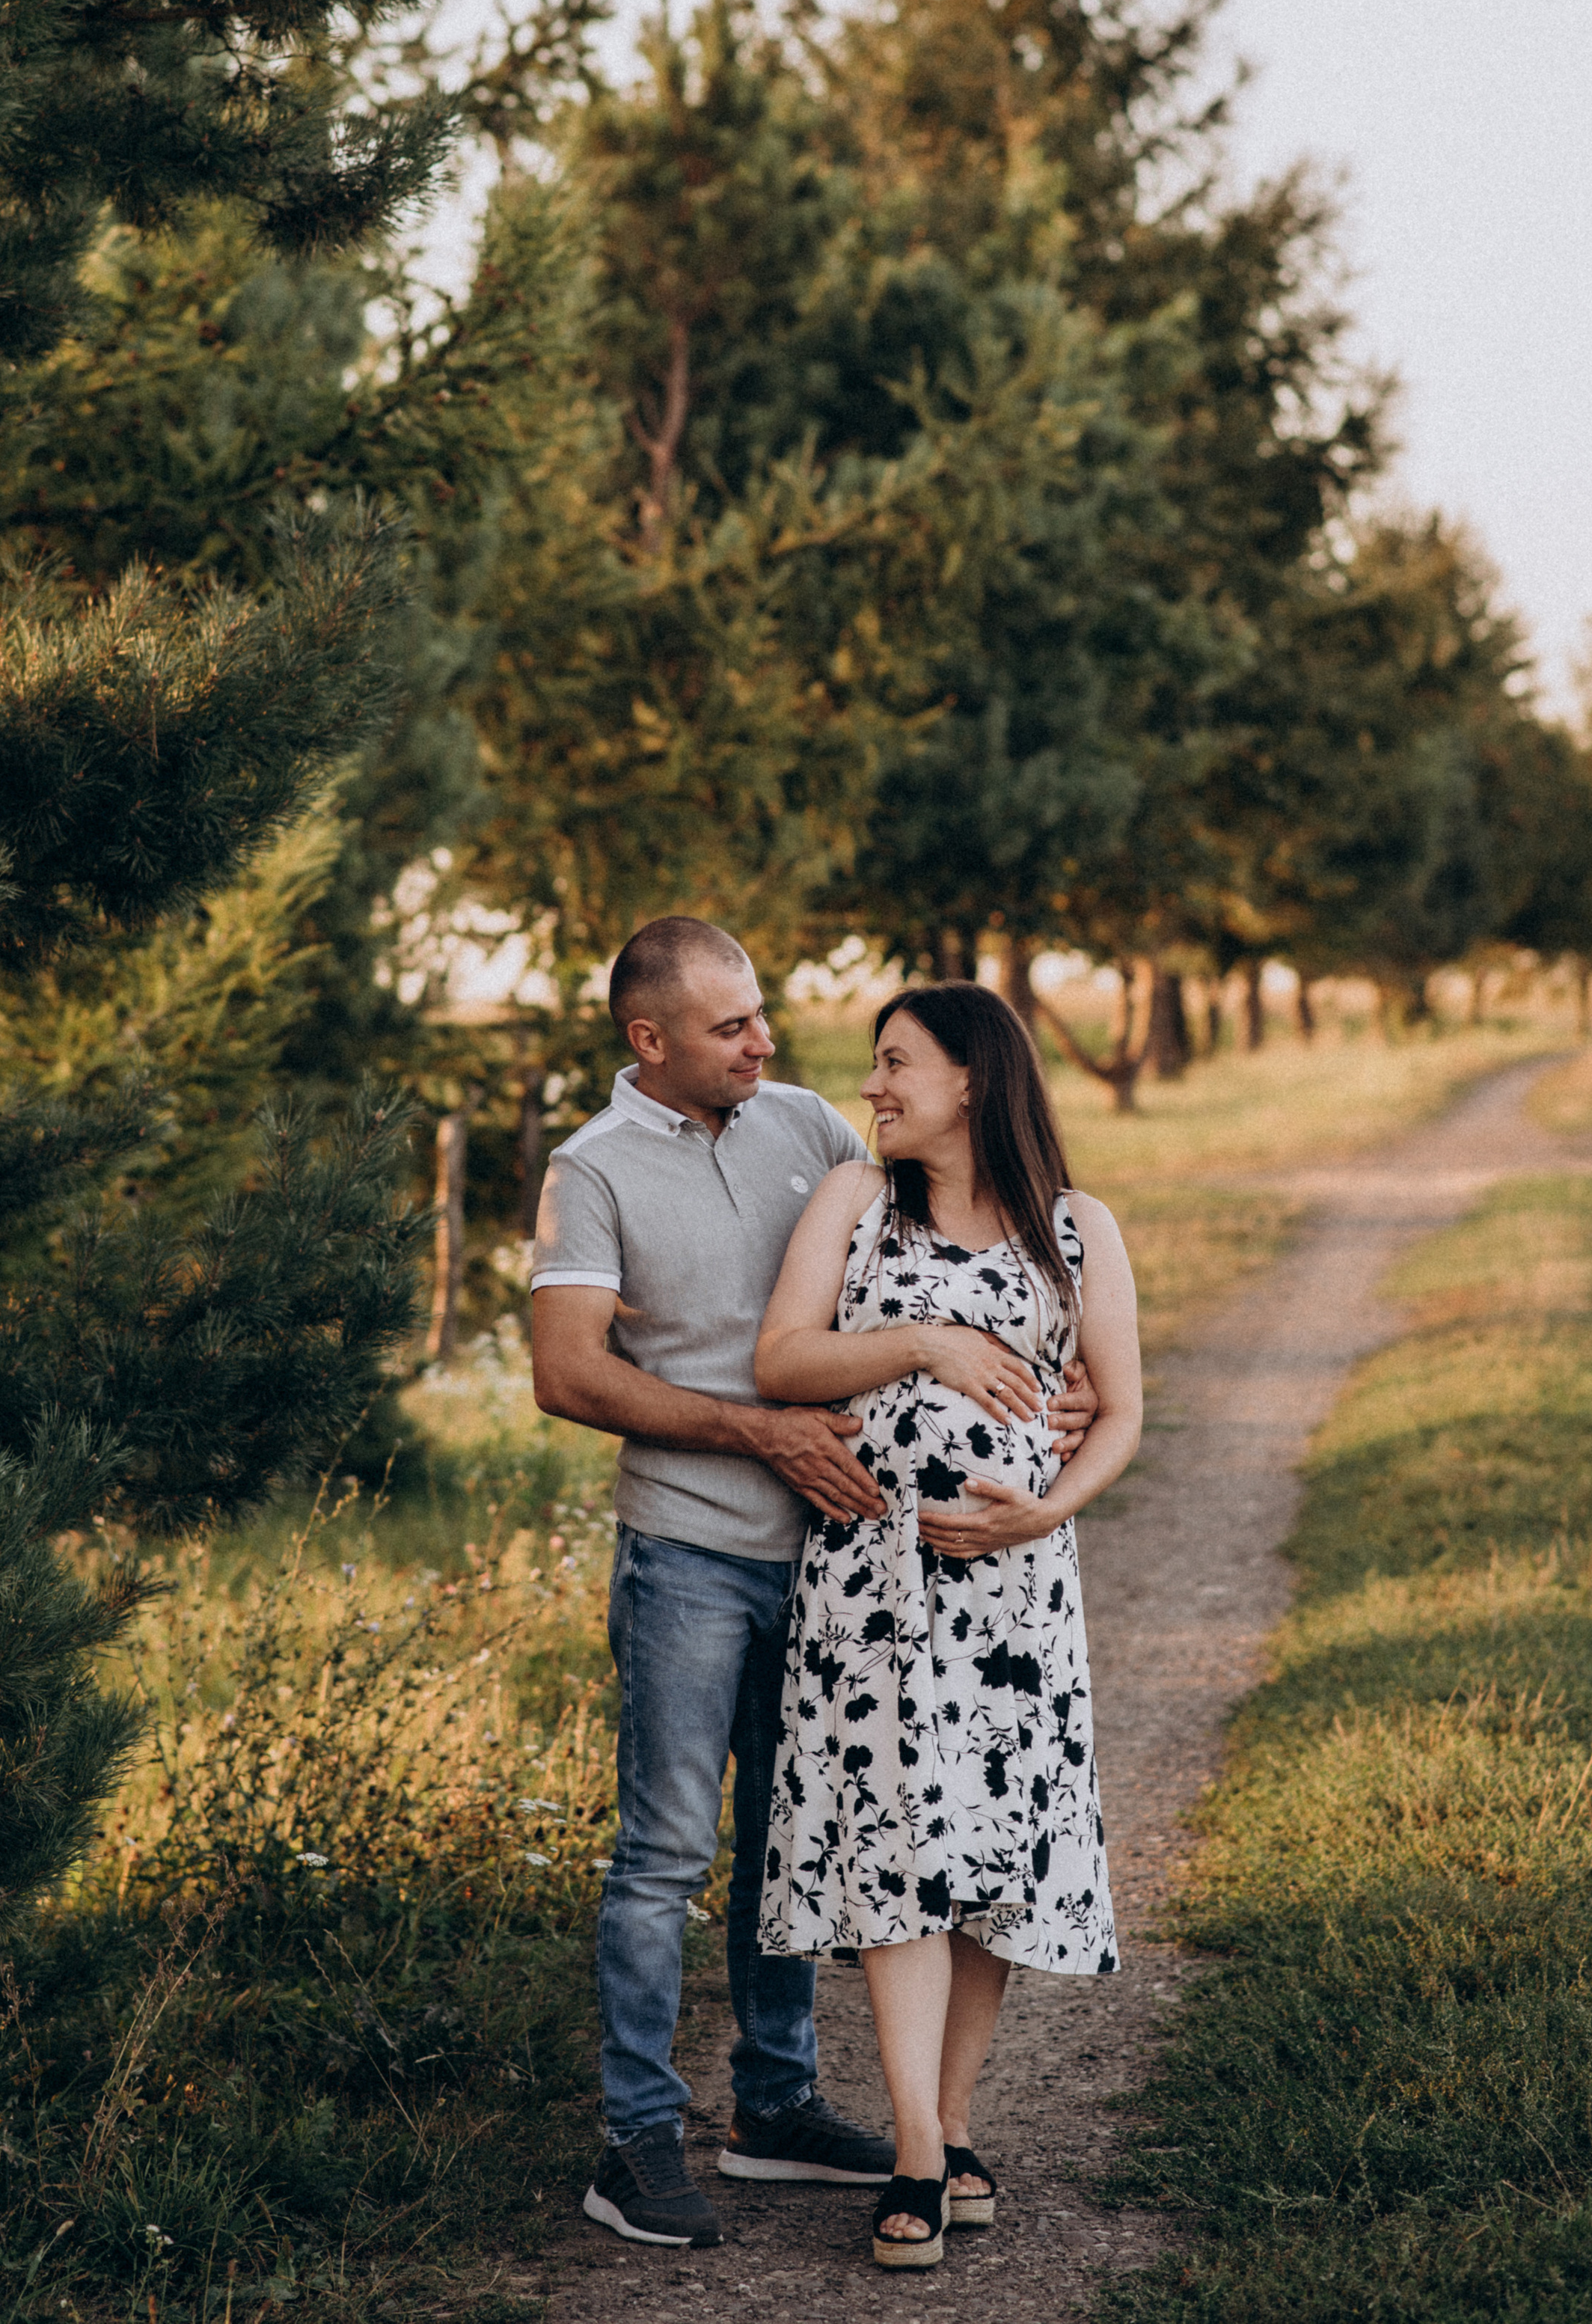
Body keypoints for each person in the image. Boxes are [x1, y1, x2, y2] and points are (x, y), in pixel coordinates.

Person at [530, 920, 1097, 2250]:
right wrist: (755, 1430)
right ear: (649, 1041)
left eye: (763, 1015)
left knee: (796, 1846)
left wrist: (1054, 1395)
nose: (765, 1042)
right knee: (665, 1852)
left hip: (846, 1574)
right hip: (689, 1553)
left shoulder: (815, 1134)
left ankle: (774, 2110)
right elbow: (567, 1374)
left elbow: (947, 1255)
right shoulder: (589, 1172)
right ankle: (637, 2140)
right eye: (732, 1027)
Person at [753, 981, 1142, 2269]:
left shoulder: (1079, 1231)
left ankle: (959, 2125)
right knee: (896, 1854)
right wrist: (926, 1342)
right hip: (874, 1588)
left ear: (971, 1078)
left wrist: (1040, 1517)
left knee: (987, 1863)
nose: (873, 1087)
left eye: (894, 1063)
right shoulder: (855, 1206)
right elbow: (784, 1361)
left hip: (1019, 1600)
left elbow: (1125, 1416)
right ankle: (916, 2147)